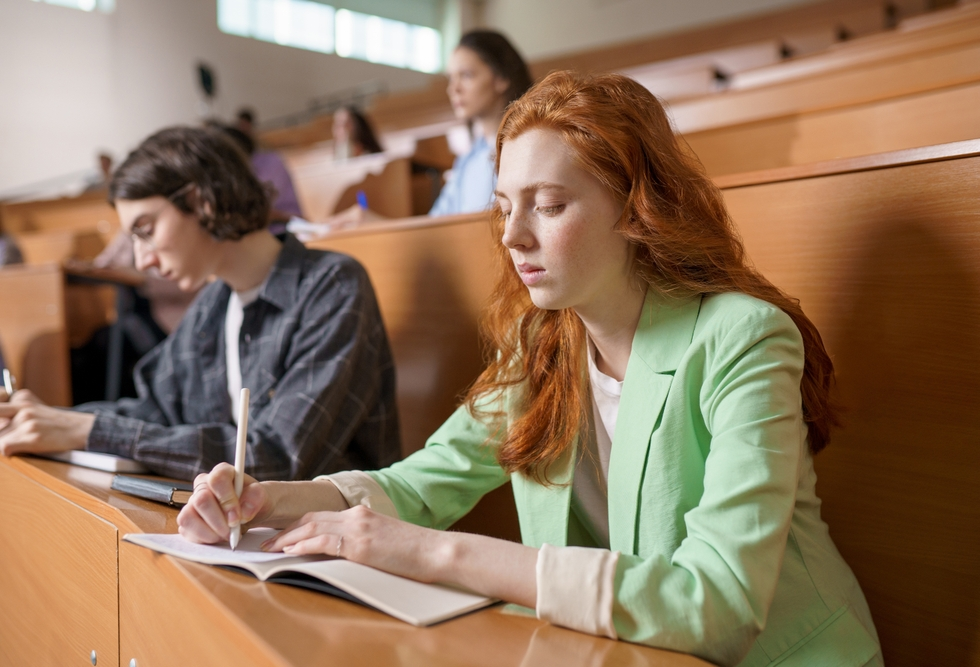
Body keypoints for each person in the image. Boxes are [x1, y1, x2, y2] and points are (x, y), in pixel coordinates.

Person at [177, 72, 882, 666]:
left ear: (637, 207)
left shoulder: (743, 337)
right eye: (504, 207)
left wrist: (435, 555)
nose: (513, 236)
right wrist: (268, 501)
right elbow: (419, 486)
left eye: (548, 205)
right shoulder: (541, 343)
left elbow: (717, 604)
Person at [0, 126, 401, 482]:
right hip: (234, 528)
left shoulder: (332, 285)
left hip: (329, 535)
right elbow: (154, 411)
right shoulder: (215, 302)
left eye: (146, 230)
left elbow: (275, 459)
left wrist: (87, 430)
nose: (142, 260)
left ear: (202, 201)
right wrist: (46, 419)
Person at [319, 30, 531, 232]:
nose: (453, 89)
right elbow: (435, 226)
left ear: (501, 78)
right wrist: (374, 225)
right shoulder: (469, 159)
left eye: (466, 75)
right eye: (451, 78)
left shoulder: (525, 150)